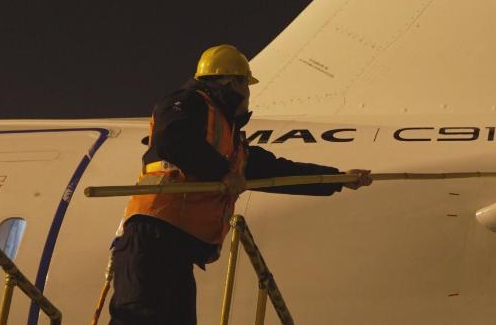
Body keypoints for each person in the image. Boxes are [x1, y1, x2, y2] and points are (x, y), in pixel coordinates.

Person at [109, 44, 371, 325]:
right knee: (139, 318)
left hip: (177, 245)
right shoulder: (188, 102)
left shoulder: (229, 140)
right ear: (231, 82)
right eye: (246, 84)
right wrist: (222, 172)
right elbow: (173, 138)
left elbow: (275, 171)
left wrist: (338, 179)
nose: (248, 93)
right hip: (153, 232)